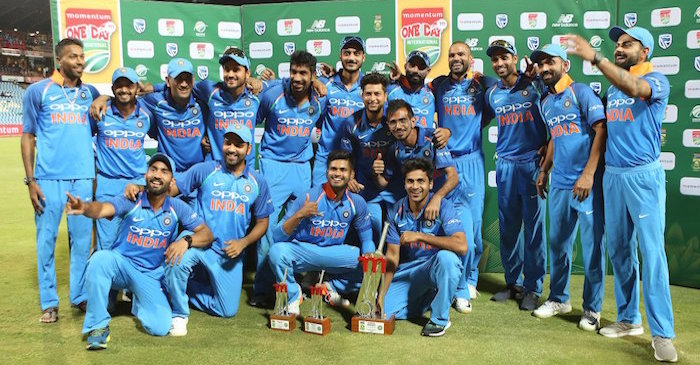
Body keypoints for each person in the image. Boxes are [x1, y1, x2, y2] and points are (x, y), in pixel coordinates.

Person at [566, 26, 678, 362]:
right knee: (620, 249)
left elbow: (633, 86)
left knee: (652, 254)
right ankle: (629, 319)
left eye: (627, 44)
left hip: (643, 177)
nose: (619, 48)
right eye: (616, 44)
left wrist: (595, 57)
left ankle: (663, 334)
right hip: (612, 178)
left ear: (645, 51)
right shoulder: (613, 90)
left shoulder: (656, 80)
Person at [65, 153, 213, 350]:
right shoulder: (132, 198)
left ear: (172, 180)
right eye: (153, 169)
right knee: (100, 259)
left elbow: (207, 234)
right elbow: (102, 209)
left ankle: (138, 299)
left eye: (164, 171)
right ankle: (98, 327)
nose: (157, 175)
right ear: (146, 174)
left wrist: (186, 240)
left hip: (150, 275)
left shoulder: (178, 207)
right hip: (121, 265)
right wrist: (85, 208)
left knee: (159, 327)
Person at [162, 124, 272, 336]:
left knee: (227, 310)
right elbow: (170, 190)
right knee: (178, 260)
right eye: (228, 143)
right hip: (198, 241)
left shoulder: (258, 182)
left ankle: (175, 288)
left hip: (228, 253)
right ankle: (178, 312)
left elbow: (262, 222)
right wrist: (141, 191)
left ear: (249, 149)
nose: (231, 149)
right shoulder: (205, 169)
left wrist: (244, 243)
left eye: (238, 145)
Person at [21, 38, 100, 322]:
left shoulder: (90, 92)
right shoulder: (37, 92)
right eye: (74, 57)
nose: (80, 61)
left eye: (82, 57)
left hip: (82, 177)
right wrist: (31, 181)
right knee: (47, 241)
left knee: (81, 242)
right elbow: (28, 136)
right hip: (48, 178)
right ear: (60, 60)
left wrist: (103, 97)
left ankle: (78, 296)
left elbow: (106, 106)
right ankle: (49, 302)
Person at [530, 44, 607, 331]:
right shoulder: (545, 101)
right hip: (560, 183)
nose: (545, 68)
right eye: (541, 64)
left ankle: (592, 308)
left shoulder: (582, 92)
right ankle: (559, 298)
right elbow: (554, 137)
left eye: (550, 62)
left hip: (586, 184)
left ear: (565, 65)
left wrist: (588, 174)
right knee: (558, 245)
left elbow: (601, 129)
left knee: (592, 249)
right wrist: (544, 169)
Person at [251, 50, 327, 306]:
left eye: (303, 73)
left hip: (303, 167)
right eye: (294, 71)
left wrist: (319, 83)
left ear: (312, 75)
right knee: (267, 228)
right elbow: (253, 119)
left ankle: (295, 282)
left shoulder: (320, 97)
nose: (297, 77)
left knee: (303, 225)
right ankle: (263, 289)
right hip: (274, 166)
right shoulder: (273, 94)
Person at [429, 41, 498, 309]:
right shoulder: (438, 85)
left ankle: (470, 279)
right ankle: (447, 276)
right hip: (444, 163)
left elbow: (496, 98)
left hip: (470, 161)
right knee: (446, 221)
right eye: (451, 55)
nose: (455, 58)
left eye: (461, 54)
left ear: (471, 59)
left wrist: (482, 76)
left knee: (472, 226)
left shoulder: (481, 86)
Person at [267, 150, 374, 314]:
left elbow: (367, 240)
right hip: (305, 251)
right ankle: (294, 295)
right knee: (276, 252)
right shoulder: (309, 196)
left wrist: (369, 257)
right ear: (327, 171)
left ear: (352, 174)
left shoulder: (356, 203)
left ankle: (329, 286)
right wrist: (300, 214)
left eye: (343, 170)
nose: (337, 174)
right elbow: (277, 236)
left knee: (371, 263)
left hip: (333, 253)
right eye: (333, 169)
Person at [484, 39, 548, 311]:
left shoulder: (534, 84)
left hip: (532, 163)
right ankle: (513, 284)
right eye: (495, 60)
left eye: (504, 58)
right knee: (508, 227)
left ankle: (533, 288)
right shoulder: (492, 93)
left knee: (533, 230)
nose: (499, 64)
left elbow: (556, 104)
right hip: (506, 165)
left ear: (515, 58)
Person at [380, 158, 467, 337]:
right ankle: (431, 299)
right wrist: (381, 295)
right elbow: (392, 258)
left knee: (448, 259)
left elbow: (462, 245)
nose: (415, 186)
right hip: (411, 272)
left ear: (431, 183)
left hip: (435, 267)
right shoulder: (396, 211)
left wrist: (420, 236)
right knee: (384, 311)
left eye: (421, 181)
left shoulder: (443, 206)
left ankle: (439, 319)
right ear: (404, 184)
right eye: (410, 181)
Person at [92, 67, 153, 249]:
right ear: (112, 89)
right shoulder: (100, 113)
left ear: (136, 88)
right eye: (119, 85)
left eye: (129, 85)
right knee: (108, 244)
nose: (124, 89)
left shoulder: (147, 114)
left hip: (138, 186)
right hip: (108, 186)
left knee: (136, 243)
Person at [339, 72, 395, 242]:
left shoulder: (395, 120)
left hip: (396, 188)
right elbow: (346, 157)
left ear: (385, 96)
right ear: (361, 95)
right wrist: (349, 178)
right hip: (367, 189)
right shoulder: (351, 122)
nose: (372, 99)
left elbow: (416, 137)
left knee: (398, 229)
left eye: (377, 94)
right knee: (374, 224)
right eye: (368, 94)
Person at [313, 36, 366, 187]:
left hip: (357, 161)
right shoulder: (326, 84)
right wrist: (314, 79)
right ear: (340, 56)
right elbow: (317, 118)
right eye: (347, 53)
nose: (351, 58)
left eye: (356, 53)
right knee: (319, 205)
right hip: (325, 157)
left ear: (363, 57)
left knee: (351, 206)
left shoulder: (368, 87)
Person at [387, 50, 436, 128]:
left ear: (428, 70)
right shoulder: (391, 90)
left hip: (425, 140)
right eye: (412, 65)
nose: (416, 70)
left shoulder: (433, 92)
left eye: (421, 67)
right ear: (405, 67)